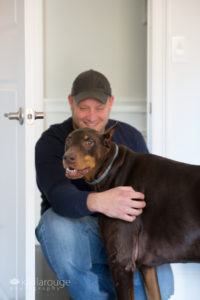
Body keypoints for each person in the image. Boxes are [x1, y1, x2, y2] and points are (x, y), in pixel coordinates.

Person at [35, 69, 174, 300]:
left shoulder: (130, 137)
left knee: (165, 287)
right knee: (53, 226)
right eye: (83, 108)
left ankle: (104, 285)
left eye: (99, 108)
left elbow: (149, 196)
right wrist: (101, 201)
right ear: (71, 102)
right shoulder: (53, 140)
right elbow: (58, 194)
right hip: (81, 232)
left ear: (110, 104)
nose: (91, 116)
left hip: (128, 235)